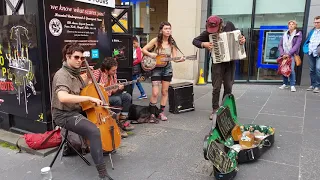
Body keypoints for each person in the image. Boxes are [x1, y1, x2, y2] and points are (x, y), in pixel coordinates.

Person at [51, 43, 113, 180]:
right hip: (64, 115)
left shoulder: (77, 74)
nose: (80, 60)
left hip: (76, 110)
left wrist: (91, 81)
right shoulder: (62, 75)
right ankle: (103, 174)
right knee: (94, 131)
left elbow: (84, 90)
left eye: (81, 58)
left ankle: (105, 146)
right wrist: (89, 97)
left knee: (104, 119)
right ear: (67, 57)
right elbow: (63, 97)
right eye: (76, 57)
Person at [192, 15, 246, 120]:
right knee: (216, 87)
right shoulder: (208, 32)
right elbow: (195, 41)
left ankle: (225, 108)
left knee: (228, 86)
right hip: (217, 63)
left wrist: (242, 39)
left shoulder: (229, 25)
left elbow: (239, 37)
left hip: (230, 63)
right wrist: (204, 44)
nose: (213, 32)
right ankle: (215, 109)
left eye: (215, 29)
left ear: (220, 24)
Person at [142, 21, 185, 121]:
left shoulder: (172, 42)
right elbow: (143, 49)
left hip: (167, 69)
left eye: (169, 29)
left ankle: (161, 112)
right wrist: (150, 54)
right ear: (161, 30)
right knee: (155, 93)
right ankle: (152, 113)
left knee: (164, 92)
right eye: (166, 29)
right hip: (156, 69)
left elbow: (174, 58)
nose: (168, 31)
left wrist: (180, 59)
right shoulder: (156, 40)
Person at [92, 57, 134, 138]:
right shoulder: (97, 73)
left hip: (109, 96)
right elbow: (89, 86)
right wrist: (98, 86)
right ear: (106, 70)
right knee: (116, 100)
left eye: (116, 70)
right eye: (113, 70)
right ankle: (115, 125)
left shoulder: (113, 75)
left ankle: (122, 122)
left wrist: (118, 88)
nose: (115, 72)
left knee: (127, 96)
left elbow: (113, 91)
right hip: (99, 98)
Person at [278, 20, 302, 92]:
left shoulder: (298, 34)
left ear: (295, 26)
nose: (291, 25)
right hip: (284, 55)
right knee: (284, 69)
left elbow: (297, 45)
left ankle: (292, 85)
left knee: (291, 70)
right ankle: (285, 84)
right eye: (290, 24)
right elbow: (280, 45)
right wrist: (282, 54)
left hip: (292, 55)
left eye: (293, 24)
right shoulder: (285, 34)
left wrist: (288, 54)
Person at [303, 16, 320, 93]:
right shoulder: (312, 31)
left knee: (318, 68)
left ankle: (317, 86)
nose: (316, 24)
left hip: (319, 53)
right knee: (312, 69)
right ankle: (313, 85)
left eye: (318, 22)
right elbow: (308, 40)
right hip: (311, 52)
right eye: (315, 22)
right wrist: (306, 49)